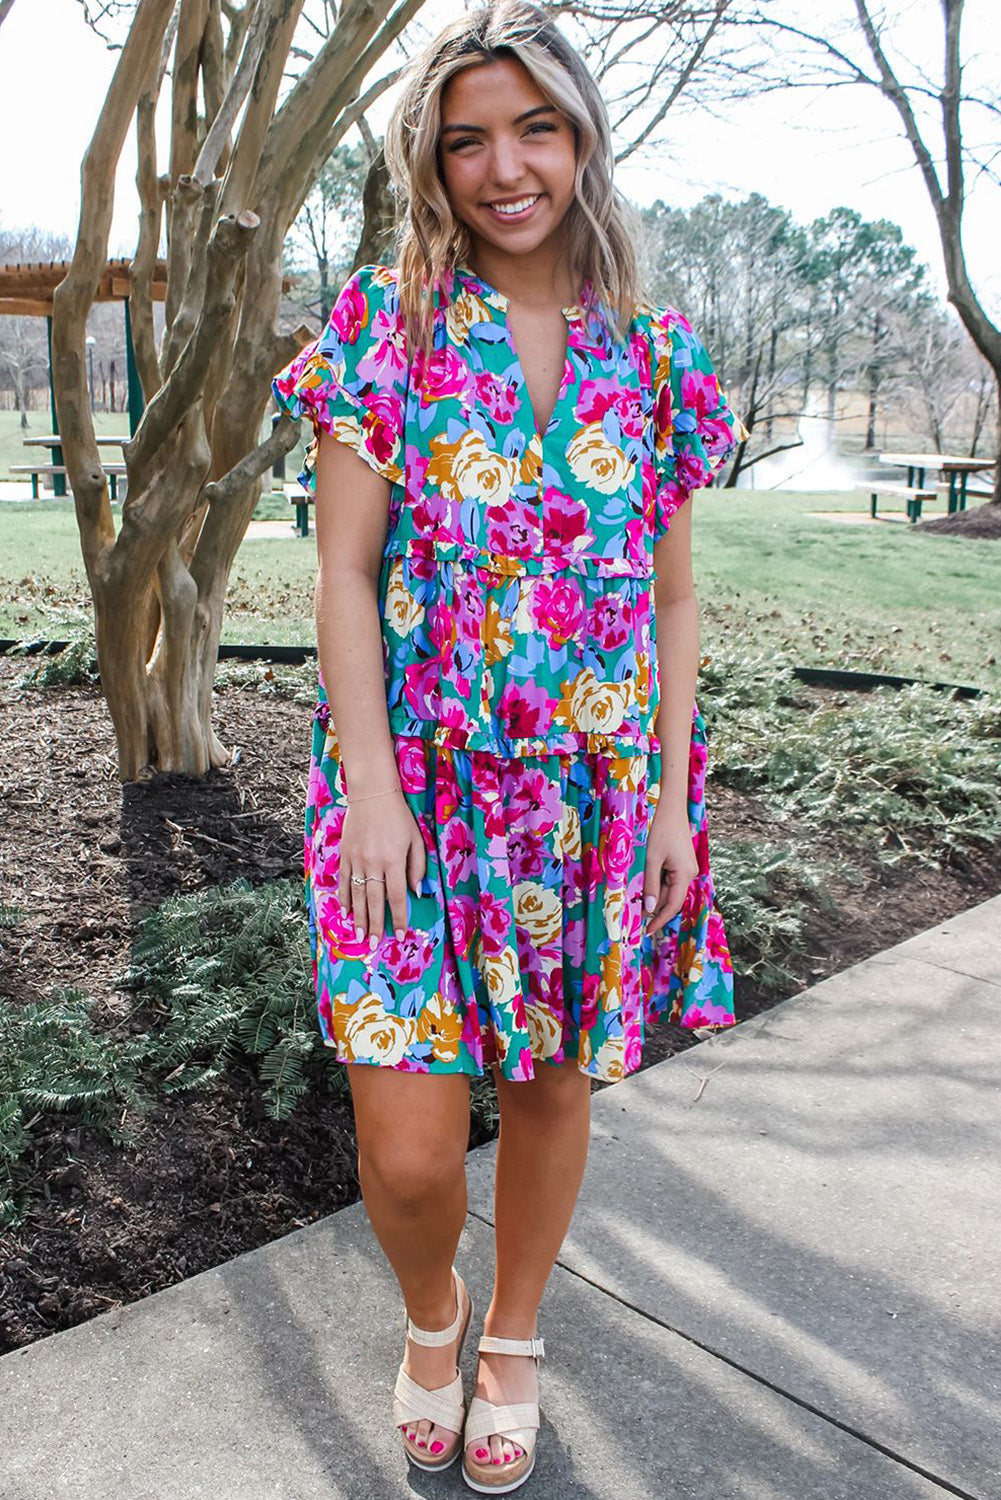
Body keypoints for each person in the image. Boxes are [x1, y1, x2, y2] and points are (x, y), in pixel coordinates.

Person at [271, 1, 744, 1490]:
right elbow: (342, 572)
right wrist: (369, 789)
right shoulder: (381, 328)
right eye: (466, 136)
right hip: (410, 789)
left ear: (582, 136)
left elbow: (672, 598)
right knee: (409, 1149)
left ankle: (517, 1333)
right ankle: (434, 1311)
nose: (504, 165)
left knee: (548, 1088)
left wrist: (669, 803)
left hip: (595, 795)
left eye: (533, 126)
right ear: (432, 158)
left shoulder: (656, 356)